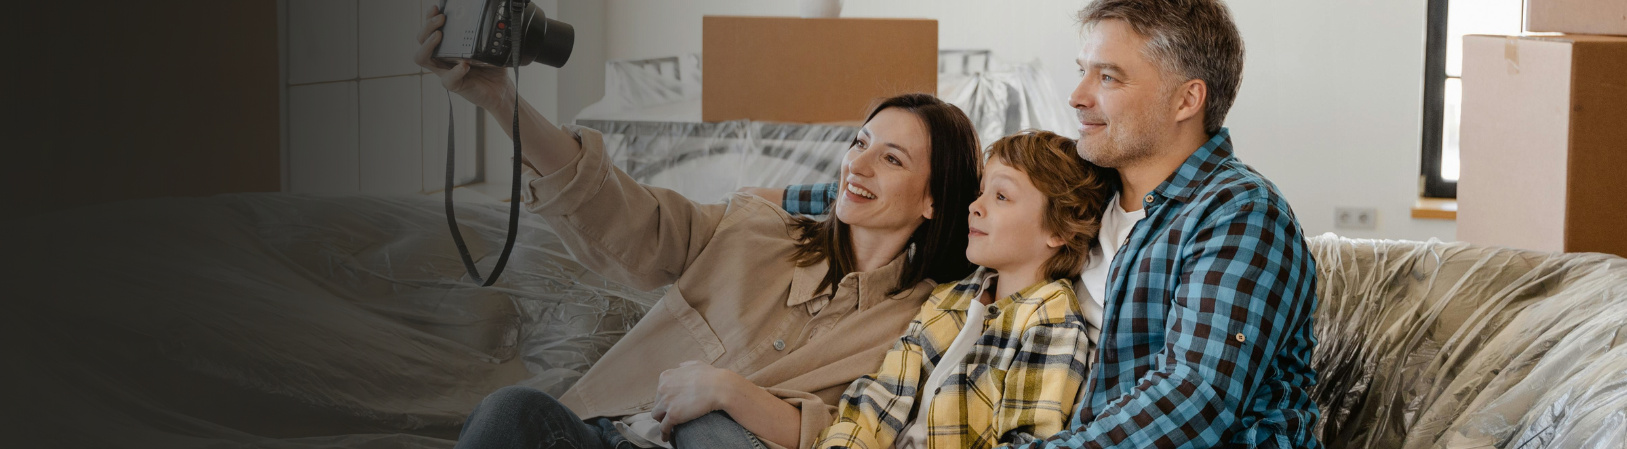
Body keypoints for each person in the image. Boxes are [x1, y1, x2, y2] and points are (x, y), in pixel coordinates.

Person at [413, 7, 985, 449]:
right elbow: (621, 216)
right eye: (858, 142)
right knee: (508, 411)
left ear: (935, 200)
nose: (856, 166)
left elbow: (865, 433)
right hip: (610, 435)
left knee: (712, 428)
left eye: (891, 159)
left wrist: (732, 393)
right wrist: (499, 97)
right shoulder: (753, 229)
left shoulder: (923, 322)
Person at [764, 0, 1323, 446]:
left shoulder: (1237, 213)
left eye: (1109, 77)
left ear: (1187, 100)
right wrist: (777, 196)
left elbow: (1191, 401)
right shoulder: (1089, 187)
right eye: (1083, 72)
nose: (1077, 96)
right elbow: (929, 187)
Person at [816, 131, 1115, 449]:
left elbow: (1027, 439)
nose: (975, 206)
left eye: (1001, 196)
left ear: (1059, 229)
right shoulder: (947, 297)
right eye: (981, 192)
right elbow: (875, 398)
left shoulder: (1053, 324)